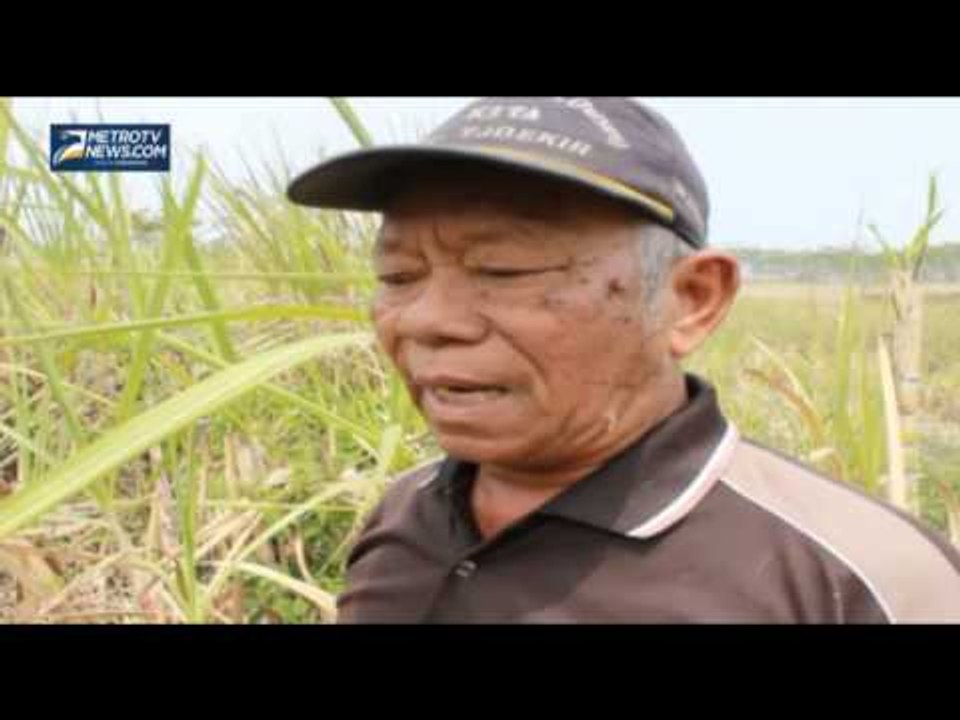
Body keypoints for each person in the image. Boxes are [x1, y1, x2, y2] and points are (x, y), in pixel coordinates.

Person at [287, 97, 960, 623]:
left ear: (691, 299)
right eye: (399, 277)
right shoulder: (404, 517)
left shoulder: (861, 579)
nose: (428, 321)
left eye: (503, 268)